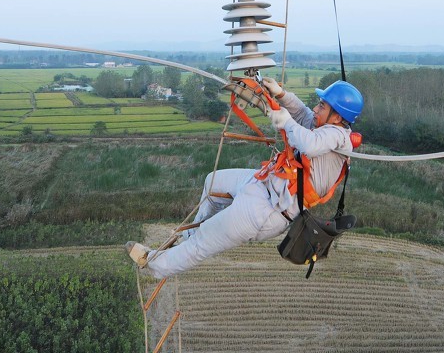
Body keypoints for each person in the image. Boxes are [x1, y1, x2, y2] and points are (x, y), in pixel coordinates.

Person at [126, 78, 363, 279]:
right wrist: (281, 94)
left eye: (322, 105)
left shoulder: (337, 137)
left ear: (337, 116)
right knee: (213, 181)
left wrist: (285, 121)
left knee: (205, 241)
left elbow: (308, 144)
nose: (317, 108)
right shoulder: (321, 123)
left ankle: (154, 265)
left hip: (267, 210)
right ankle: (187, 237)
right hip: (262, 184)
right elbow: (302, 112)